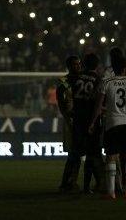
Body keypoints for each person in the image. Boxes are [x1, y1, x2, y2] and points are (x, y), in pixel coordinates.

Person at [91, 55, 126, 200]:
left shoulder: (106, 82)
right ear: (125, 66)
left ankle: (111, 192)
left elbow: (98, 106)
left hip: (112, 123)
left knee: (111, 157)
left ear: (113, 67)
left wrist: (92, 122)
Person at [78, 53, 105, 194]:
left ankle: (88, 185)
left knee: (83, 154)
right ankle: (94, 185)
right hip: (91, 121)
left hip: (78, 120)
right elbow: (98, 104)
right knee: (93, 154)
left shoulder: (77, 78)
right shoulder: (98, 80)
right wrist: (93, 122)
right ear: (97, 65)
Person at [56, 55, 82, 192]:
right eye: (75, 64)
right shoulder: (63, 82)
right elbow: (61, 105)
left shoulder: (84, 80)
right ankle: (68, 182)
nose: (78, 66)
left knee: (78, 154)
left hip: (82, 120)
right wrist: (67, 120)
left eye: (79, 64)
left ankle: (69, 182)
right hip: (71, 121)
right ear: (69, 66)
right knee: (74, 154)